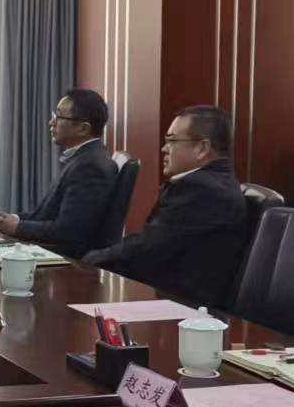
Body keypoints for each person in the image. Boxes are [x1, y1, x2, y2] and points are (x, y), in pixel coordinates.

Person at [82, 104, 247, 305]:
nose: (164, 149)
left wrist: (88, 261)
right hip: (168, 294)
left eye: (172, 141)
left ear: (202, 148)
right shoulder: (211, 182)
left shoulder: (202, 190)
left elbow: (146, 249)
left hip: (182, 305)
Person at [0, 88, 118, 258]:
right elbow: (45, 215)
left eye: (59, 117)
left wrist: (17, 227)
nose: (51, 122)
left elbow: (69, 231)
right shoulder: (83, 158)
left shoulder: (90, 166)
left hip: (64, 259)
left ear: (83, 128)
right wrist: (14, 219)